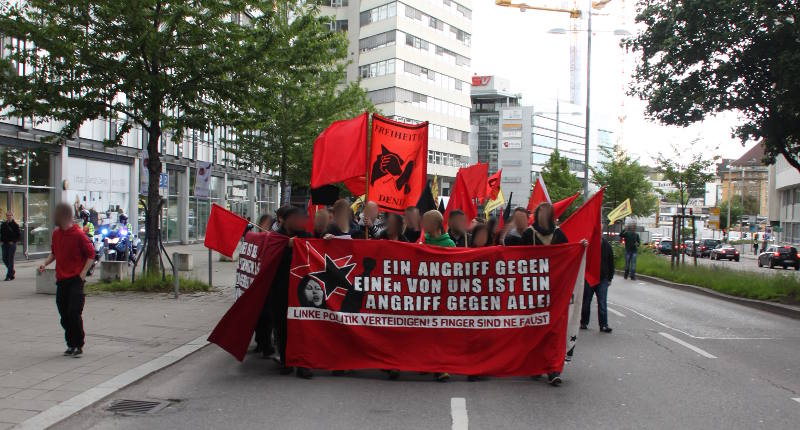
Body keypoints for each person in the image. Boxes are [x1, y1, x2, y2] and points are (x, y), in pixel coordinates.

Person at [37, 203, 95, 357]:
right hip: (62, 280)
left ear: (64, 216)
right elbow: (54, 253)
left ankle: (78, 344)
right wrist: (45, 263)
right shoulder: (57, 234)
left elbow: (91, 254)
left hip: (76, 279)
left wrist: (83, 272)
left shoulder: (78, 235)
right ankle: (70, 344)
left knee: (73, 311)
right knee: (64, 314)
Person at [268, 206, 313, 379]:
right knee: (282, 326)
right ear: (284, 220)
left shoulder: (305, 236)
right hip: (281, 289)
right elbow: (269, 254)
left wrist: (327, 240)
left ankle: (303, 363)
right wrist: (285, 246)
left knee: (303, 327)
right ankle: (286, 360)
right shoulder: (275, 237)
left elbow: (317, 250)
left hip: (302, 290)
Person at [420, 210, 454, 382]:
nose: (423, 225)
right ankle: (427, 363)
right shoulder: (422, 241)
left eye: (426, 222)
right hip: (425, 294)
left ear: (435, 225)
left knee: (441, 333)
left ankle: (442, 367)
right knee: (425, 332)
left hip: (443, 295)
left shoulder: (449, 244)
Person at [580, 237, 615, 333]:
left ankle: (604, 324)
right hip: (589, 277)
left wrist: (610, 278)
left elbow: (611, 261)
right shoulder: (588, 243)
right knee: (586, 301)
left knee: (602, 302)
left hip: (602, 278)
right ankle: (584, 322)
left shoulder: (606, 245)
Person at [1, 211, 21, 280]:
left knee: (10, 259)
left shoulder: (15, 225)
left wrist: (13, 241)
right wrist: (1, 241)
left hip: (12, 244)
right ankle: (12, 271)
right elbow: (1, 234)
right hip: (4, 244)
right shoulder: (3, 224)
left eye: (10, 215)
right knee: (4, 258)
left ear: (12, 216)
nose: (9, 216)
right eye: (7, 215)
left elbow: (18, 236)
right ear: (6, 216)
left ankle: (9, 275)